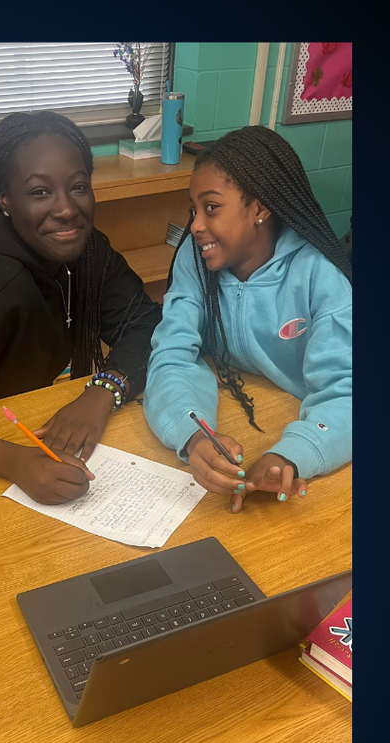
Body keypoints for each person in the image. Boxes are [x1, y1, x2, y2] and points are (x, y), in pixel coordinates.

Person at [0, 110, 161, 505]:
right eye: (40, 192)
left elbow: (146, 323)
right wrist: (14, 462)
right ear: (5, 200)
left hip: (16, 414)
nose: (66, 209)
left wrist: (103, 391)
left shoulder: (88, 252)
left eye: (78, 186)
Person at [143, 125, 352, 513]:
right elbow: (171, 354)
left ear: (260, 208)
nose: (196, 226)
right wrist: (194, 433)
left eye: (211, 207)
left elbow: (349, 390)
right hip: (242, 407)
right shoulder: (195, 258)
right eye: (193, 210)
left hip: (324, 439)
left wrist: (291, 455)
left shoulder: (318, 275)